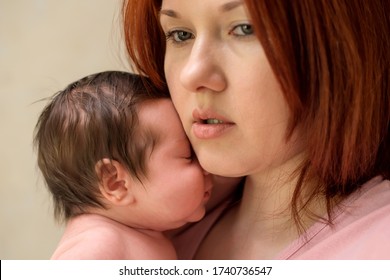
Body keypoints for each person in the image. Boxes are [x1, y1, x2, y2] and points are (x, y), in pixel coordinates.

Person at [122, 0, 390, 259]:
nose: (192, 74)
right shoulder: (144, 233)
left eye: (245, 29)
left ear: (339, 45)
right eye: (180, 34)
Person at [34, 71, 213, 259]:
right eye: (188, 155)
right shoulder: (97, 245)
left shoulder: (141, 233)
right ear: (116, 183)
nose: (206, 165)